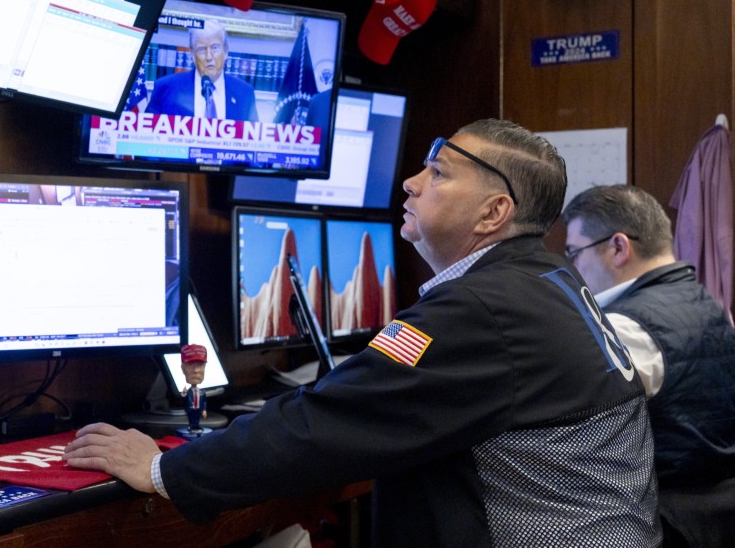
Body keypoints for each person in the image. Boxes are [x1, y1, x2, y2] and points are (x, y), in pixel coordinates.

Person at [65, 119, 660, 547]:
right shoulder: (545, 277)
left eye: (437, 173)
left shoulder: (482, 307)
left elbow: (326, 421)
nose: (410, 183)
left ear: (492, 214)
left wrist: (166, 469)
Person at [562, 184, 735, 484]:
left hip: (662, 513)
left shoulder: (623, 327)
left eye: (574, 253)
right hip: (714, 504)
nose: (573, 268)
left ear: (619, 247)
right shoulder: (705, 301)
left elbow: (581, 440)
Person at [145, 19, 259, 121]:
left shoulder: (244, 93)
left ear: (226, 52)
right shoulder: (166, 88)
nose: (209, 57)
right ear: (193, 55)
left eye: (215, 48)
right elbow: (146, 136)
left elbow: (253, 141)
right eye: (201, 50)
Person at [179, 344, 209, 438]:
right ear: (183, 369)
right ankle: (192, 426)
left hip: (198, 409)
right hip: (190, 409)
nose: (196, 370)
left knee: (196, 419)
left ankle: (196, 426)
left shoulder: (202, 392)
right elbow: (184, 397)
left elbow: (203, 401)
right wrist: (183, 394)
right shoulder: (188, 392)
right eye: (191, 365)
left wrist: (204, 410)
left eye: (200, 365)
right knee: (192, 419)